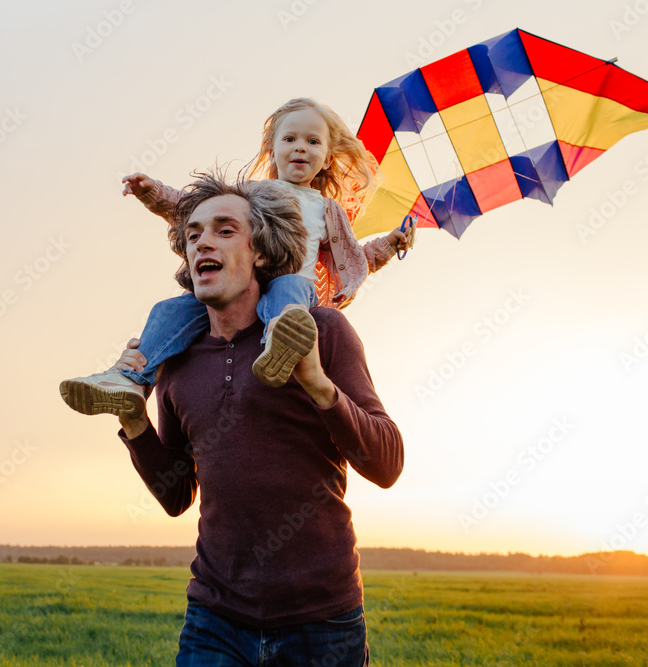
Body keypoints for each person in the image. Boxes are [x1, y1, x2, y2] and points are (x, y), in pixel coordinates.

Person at [111, 172, 403, 665]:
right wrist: (134, 421)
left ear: (261, 253)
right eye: (194, 233)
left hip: (323, 621)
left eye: (225, 230)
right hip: (214, 619)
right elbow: (178, 496)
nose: (203, 240)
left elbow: (387, 462)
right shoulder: (178, 357)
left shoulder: (323, 330)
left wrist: (317, 383)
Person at [60, 98, 415, 420]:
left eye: (313, 141)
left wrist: (387, 244)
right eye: (289, 139)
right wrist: (152, 192)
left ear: (327, 157)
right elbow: (192, 207)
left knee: (289, 285)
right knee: (170, 309)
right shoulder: (250, 194)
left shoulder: (326, 210)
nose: (300, 148)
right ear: (272, 150)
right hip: (239, 286)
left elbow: (351, 259)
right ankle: (130, 380)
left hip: (292, 291)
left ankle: (283, 341)